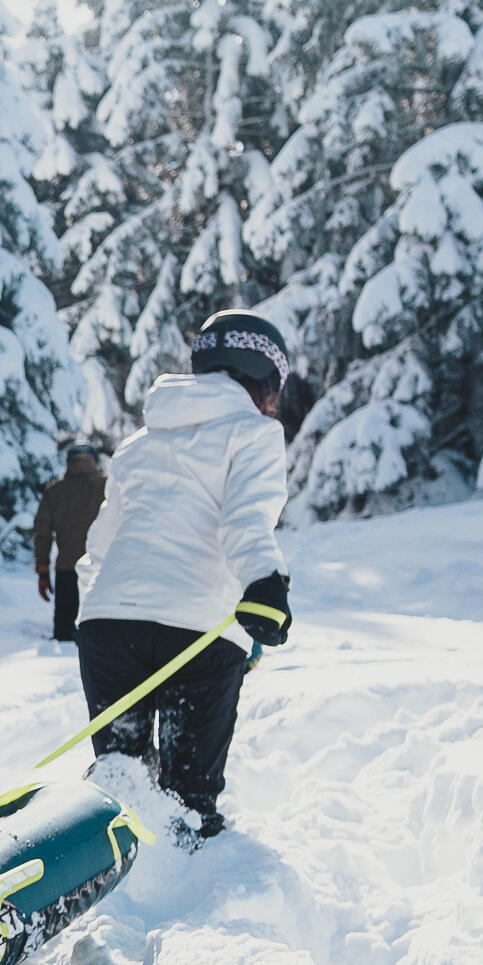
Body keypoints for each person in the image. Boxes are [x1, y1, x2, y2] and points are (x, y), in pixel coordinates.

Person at [73, 310, 295, 837]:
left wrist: (99, 612)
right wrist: (264, 582)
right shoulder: (255, 433)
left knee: (118, 785)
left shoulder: (138, 445)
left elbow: (99, 546)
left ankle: (110, 887)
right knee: (186, 800)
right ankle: (183, 891)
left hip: (107, 627)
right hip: (195, 634)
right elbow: (243, 518)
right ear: (263, 379)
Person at [29, 442, 109, 642]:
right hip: (102, 567)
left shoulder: (55, 491)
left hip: (67, 568)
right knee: (101, 630)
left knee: (65, 633)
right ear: (95, 462)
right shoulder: (108, 486)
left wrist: (43, 570)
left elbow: (42, 533)